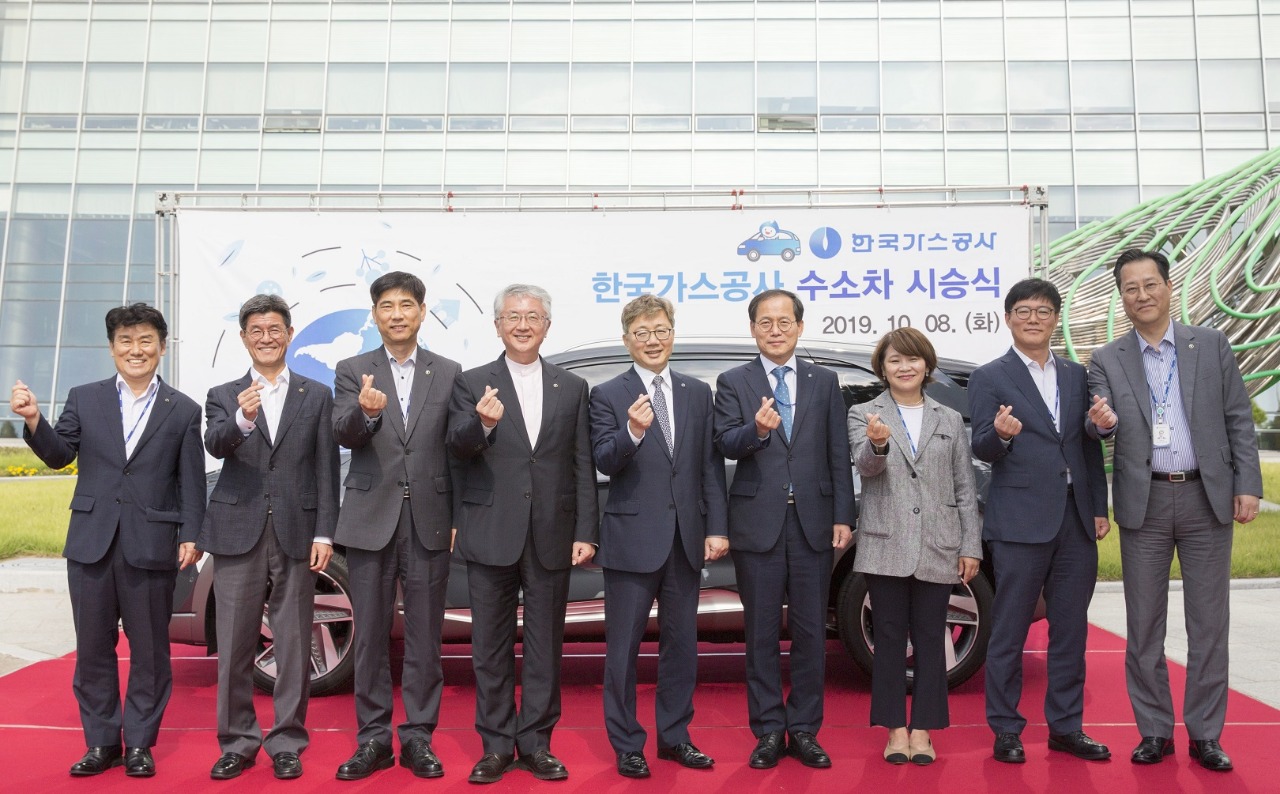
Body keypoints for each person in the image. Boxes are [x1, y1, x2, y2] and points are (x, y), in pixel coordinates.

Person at [10, 303, 205, 778]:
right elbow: (59, 455)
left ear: (161, 347)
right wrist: (34, 420)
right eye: (125, 341)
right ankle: (101, 742)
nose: (136, 350)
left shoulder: (183, 408)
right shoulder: (85, 397)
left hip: (153, 543)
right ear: (112, 347)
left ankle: (139, 744)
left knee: (151, 651)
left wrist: (192, 534)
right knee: (94, 648)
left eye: (145, 341)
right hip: (91, 543)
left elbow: (191, 480)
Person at [1088, 249, 1262, 772]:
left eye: (1150, 284)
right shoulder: (1107, 358)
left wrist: (1247, 484)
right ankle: (1154, 730)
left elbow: (1238, 418)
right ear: (1121, 296)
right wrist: (1102, 422)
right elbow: (1096, 423)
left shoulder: (1210, 344)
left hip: (1206, 498)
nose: (1141, 295)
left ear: (1168, 287)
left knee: (1209, 624)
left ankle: (1206, 734)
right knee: (1144, 625)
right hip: (1144, 501)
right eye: (1130, 287)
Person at [447, 284, 598, 784]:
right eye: (513, 316)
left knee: (544, 645)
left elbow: (581, 463)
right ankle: (495, 746)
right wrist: (482, 425)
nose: (523, 325)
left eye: (533, 316)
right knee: (489, 646)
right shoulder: (472, 382)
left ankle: (536, 742)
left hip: (552, 531)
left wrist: (586, 530)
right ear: (497, 325)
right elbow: (456, 448)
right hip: (491, 529)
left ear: (547, 326)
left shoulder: (571, 386)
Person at [968, 277, 1112, 765]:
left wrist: (1098, 507)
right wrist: (1001, 435)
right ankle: (1006, 729)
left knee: (1071, 630)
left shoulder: (1076, 374)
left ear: (1055, 319)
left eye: (1043, 311)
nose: (1034, 319)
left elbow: (1087, 445)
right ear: (1008, 318)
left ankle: (1066, 727)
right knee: (1009, 630)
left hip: (1075, 518)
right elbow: (981, 445)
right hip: (1019, 520)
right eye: (1024, 311)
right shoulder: (989, 376)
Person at [198, 294, 340, 780]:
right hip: (237, 530)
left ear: (290, 334)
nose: (266, 338)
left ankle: (287, 741)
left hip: (298, 531)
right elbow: (215, 444)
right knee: (235, 644)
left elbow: (326, 469)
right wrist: (243, 418)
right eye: (256, 330)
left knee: (293, 643)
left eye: (275, 329)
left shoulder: (316, 395)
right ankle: (237, 742)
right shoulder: (223, 394)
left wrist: (325, 532)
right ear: (243, 338)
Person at [712, 289, 855, 770]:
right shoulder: (733, 381)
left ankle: (806, 729)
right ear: (753, 328)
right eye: (766, 322)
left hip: (814, 523)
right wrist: (756, 431)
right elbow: (724, 443)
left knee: (812, 632)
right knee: (761, 633)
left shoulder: (824, 380)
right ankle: (769, 730)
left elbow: (838, 451)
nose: (776, 330)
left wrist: (843, 515)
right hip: (758, 524)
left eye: (784, 321)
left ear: (799, 326)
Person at [588, 294, 729, 779]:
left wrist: (716, 527)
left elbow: (710, 466)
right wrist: (631, 431)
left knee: (681, 646)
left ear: (673, 333)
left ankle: (675, 736)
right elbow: (604, 459)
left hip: (685, 539)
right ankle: (627, 743)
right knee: (622, 651)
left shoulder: (697, 392)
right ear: (627, 339)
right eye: (642, 333)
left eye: (661, 330)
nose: (653, 340)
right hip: (631, 540)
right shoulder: (607, 394)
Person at [331, 271, 462, 780]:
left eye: (407, 305)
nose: (397, 314)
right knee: (369, 636)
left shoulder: (448, 371)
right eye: (387, 306)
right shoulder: (352, 369)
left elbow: (459, 449)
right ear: (375, 314)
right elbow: (343, 432)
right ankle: (372, 739)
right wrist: (366, 416)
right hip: (370, 519)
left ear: (422, 312)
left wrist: (456, 516)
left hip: (430, 519)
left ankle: (418, 738)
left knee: (426, 637)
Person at [846, 327, 982, 766]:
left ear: (926, 365)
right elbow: (866, 467)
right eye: (894, 360)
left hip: (939, 543)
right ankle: (894, 730)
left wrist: (971, 545)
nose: (904, 367)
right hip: (885, 543)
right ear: (882, 369)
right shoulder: (864, 413)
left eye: (912, 359)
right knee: (887, 640)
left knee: (930, 637)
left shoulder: (948, 418)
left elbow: (964, 486)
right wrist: (878, 443)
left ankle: (923, 729)